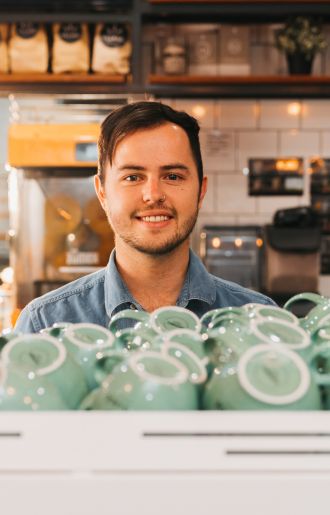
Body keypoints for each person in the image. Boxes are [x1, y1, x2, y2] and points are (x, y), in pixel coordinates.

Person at [15, 101, 274, 333]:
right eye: (132, 177)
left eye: (173, 176)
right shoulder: (44, 325)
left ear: (201, 190)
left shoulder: (258, 321)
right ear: (102, 192)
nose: (153, 195)